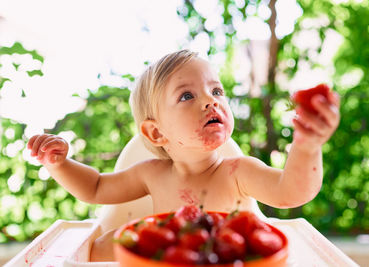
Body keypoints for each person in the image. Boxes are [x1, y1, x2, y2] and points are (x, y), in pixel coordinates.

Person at [27, 49, 340, 261]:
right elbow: (95, 188)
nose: (210, 101)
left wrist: (307, 147)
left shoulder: (237, 172)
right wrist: (60, 163)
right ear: (156, 133)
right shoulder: (151, 174)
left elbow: (291, 192)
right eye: (187, 95)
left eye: (217, 91)